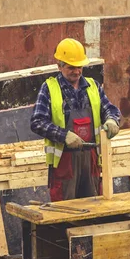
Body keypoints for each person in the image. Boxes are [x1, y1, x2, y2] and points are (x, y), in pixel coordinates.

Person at [30, 38, 122, 202]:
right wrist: (64, 135)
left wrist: (112, 120)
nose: (77, 71)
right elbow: (37, 122)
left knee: (94, 208)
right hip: (65, 163)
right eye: (71, 67)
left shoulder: (93, 86)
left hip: (91, 161)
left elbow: (109, 108)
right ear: (59, 66)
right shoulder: (49, 88)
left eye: (79, 67)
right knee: (65, 213)